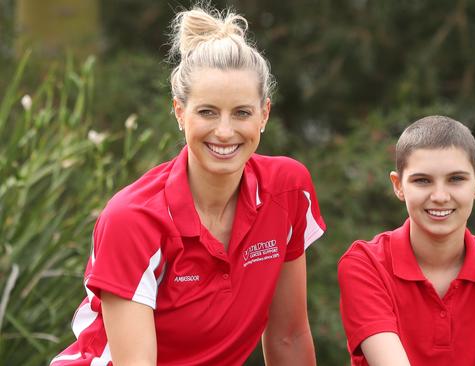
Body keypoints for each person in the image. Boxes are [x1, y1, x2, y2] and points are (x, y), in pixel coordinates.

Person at [51, 6, 325, 366]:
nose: (224, 132)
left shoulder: (288, 190)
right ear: (179, 112)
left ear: (265, 114)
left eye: (241, 113)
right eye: (207, 112)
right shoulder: (132, 220)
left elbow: (288, 337)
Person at [337, 116, 475, 366]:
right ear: (398, 186)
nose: (440, 196)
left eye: (456, 179)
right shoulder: (365, 265)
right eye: (422, 180)